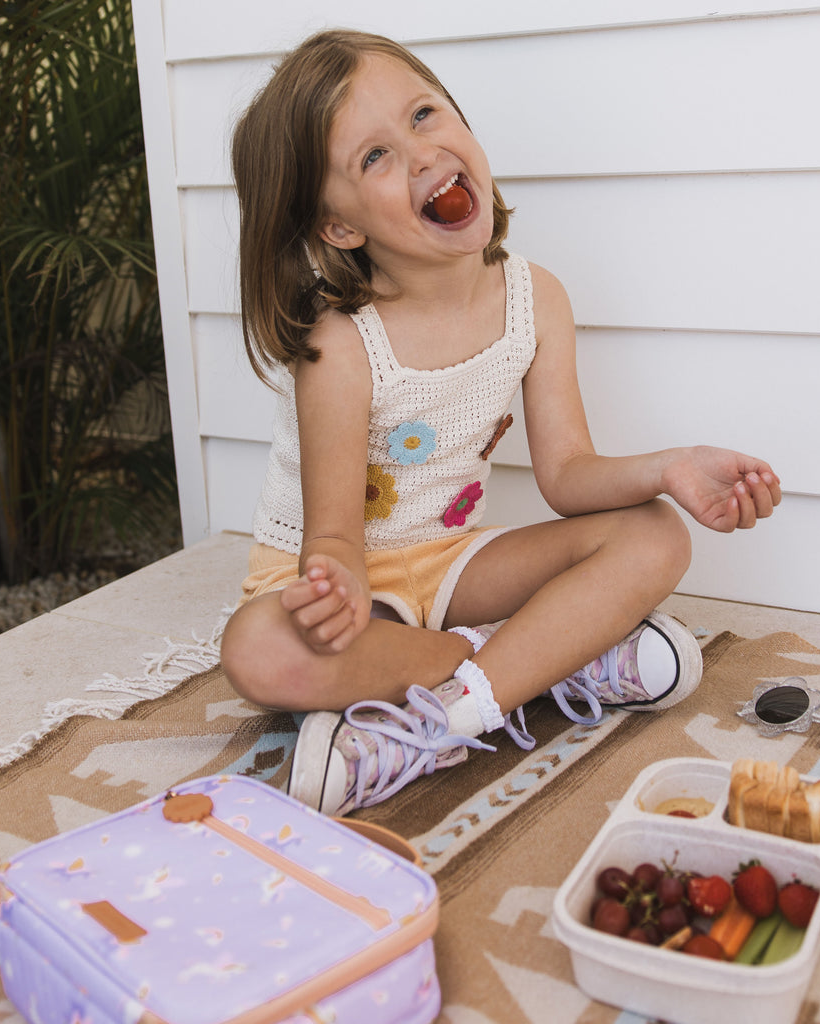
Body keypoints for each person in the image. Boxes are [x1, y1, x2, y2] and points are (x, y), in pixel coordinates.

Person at [220, 29, 782, 817]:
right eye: (374, 157)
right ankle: (539, 662)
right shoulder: (341, 345)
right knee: (257, 651)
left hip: (452, 562)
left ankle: (453, 712)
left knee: (656, 535)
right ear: (339, 227)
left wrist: (669, 467)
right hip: (342, 576)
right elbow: (336, 536)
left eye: (424, 114)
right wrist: (337, 590)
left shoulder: (535, 298)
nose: (422, 153)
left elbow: (568, 475)